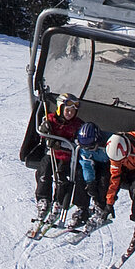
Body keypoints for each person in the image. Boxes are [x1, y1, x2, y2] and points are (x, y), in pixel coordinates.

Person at [35, 93, 83, 222]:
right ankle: (43, 199)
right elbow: (41, 132)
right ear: (60, 108)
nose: (69, 113)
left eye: (73, 111)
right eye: (67, 110)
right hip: (51, 154)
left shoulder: (77, 125)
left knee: (63, 179)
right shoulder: (50, 120)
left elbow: (79, 142)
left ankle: (59, 202)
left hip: (67, 157)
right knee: (44, 173)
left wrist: (60, 143)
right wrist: (45, 130)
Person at [69, 120, 110, 226]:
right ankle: (82, 208)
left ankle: (101, 206)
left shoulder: (110, 142)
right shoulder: (84, 145)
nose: (88, 149)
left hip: (109, 163)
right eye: (85, 148)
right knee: (81, 175)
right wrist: (90, 182)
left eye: (91, 147)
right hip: (94, 162)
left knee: (104, 179)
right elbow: (86, 163)